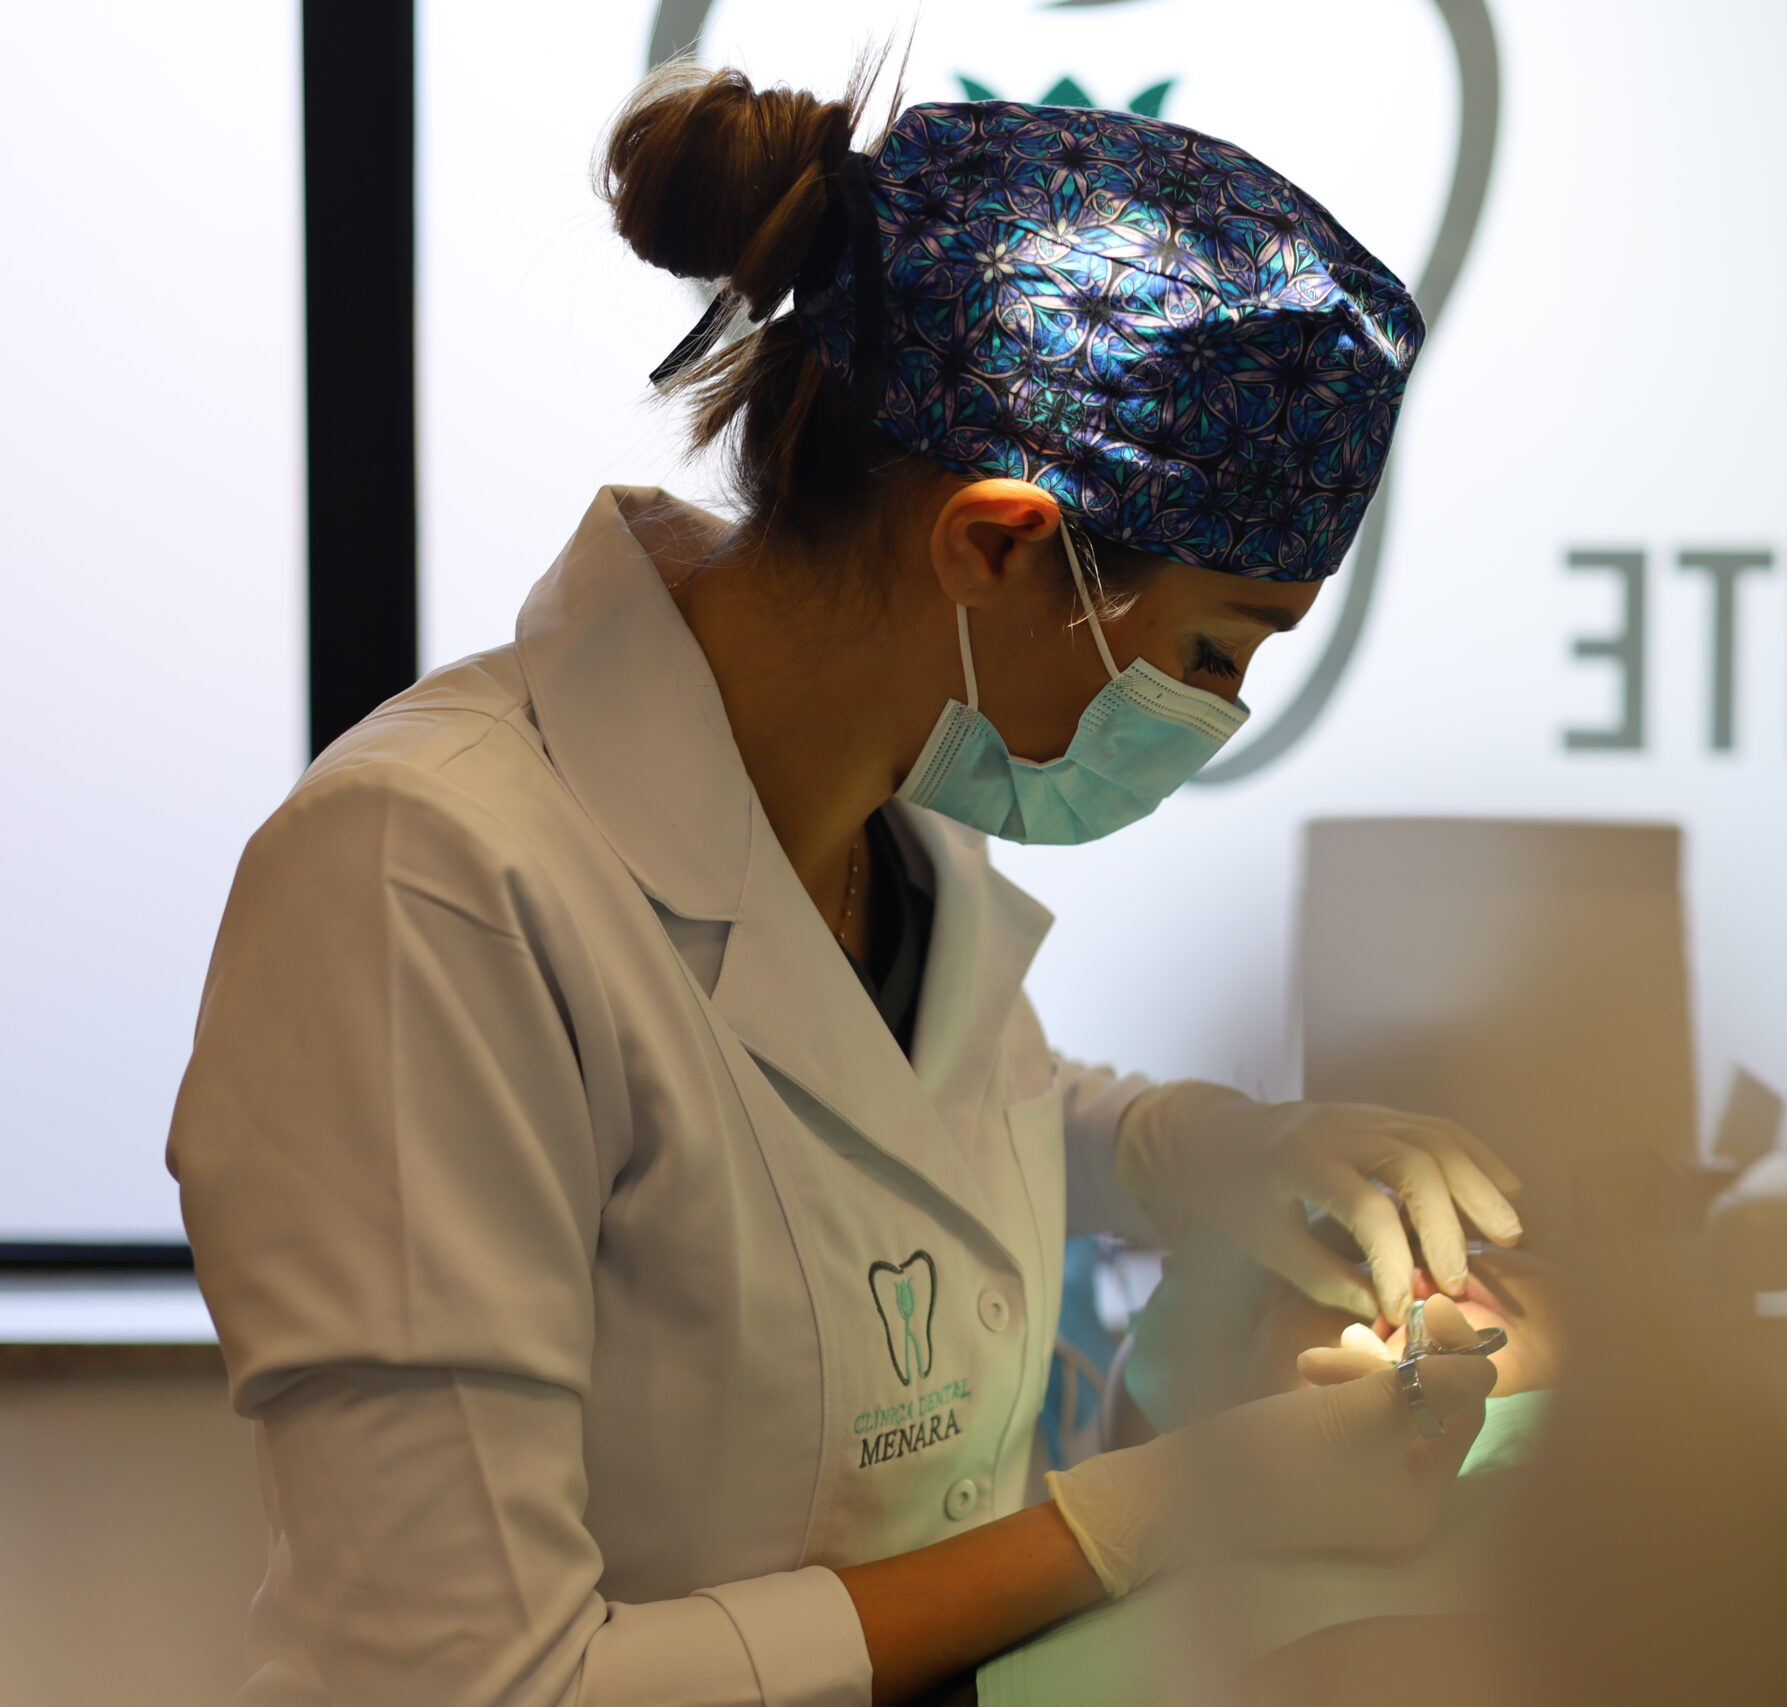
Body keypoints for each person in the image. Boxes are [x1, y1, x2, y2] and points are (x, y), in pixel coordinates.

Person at [167, 62, 1522, 1707]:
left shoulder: (897, 802)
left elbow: (891, 1136)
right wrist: (1154, 1515)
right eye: (1214, 650)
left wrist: (1203, 1152)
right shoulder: (424, 882)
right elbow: (473, 1683)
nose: (1217, 713)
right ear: (995, 545)